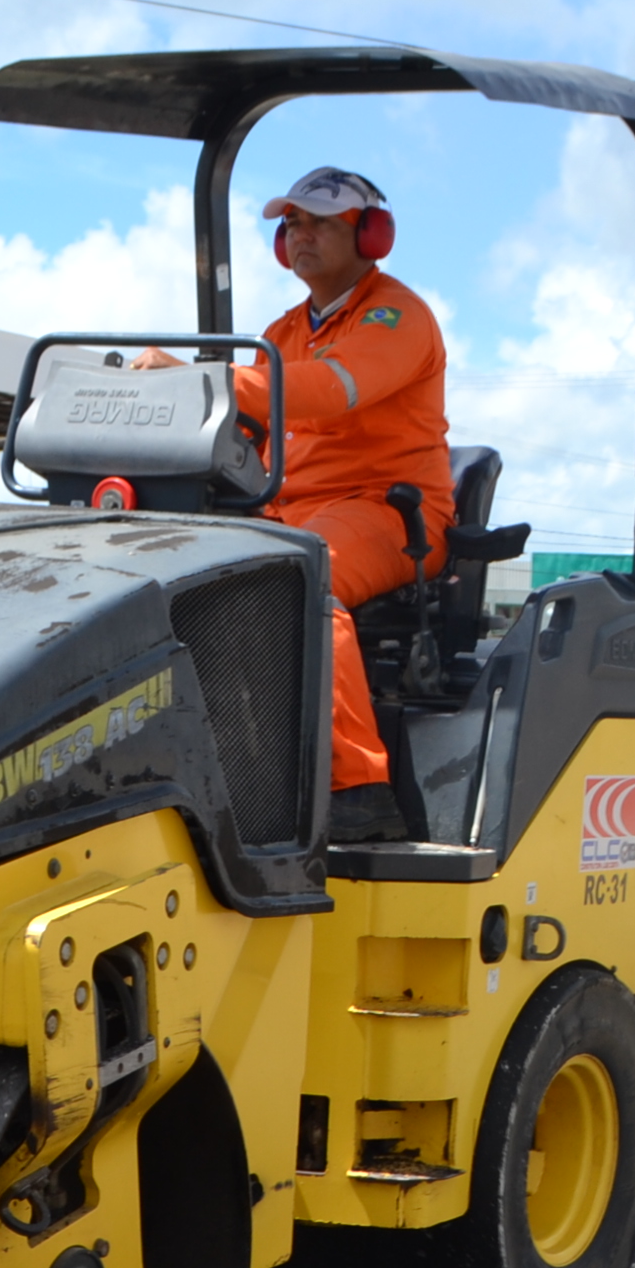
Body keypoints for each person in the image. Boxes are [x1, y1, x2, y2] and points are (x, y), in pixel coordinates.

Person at [146, 165, 452, 843]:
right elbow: (248, 424)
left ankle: (358, 790)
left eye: (319, 221)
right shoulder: (280, 334)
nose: (300, 233)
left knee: (303, 578)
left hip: (388, 512)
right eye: (292, 224)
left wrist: (204, 376)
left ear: (370, 235)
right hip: (289, 510)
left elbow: (328, 390)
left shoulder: (395, 317)